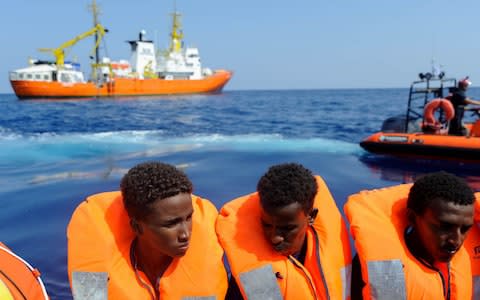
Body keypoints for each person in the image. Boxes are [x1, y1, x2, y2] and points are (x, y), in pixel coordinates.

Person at [67, 161, 228, 300]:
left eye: (188, 218)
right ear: (137, 227)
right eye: (171, 224)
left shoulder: (207, 261)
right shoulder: (96, 266)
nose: (185, 234)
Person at [216, 162, 352, 300]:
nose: (275, 238)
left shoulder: (338, 245)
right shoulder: (245, 271)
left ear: (311, 216)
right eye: (267, 225)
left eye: (287, 228)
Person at [346, 171, 475, 299]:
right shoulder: (377, 268)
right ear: (412, 218)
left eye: (465, 229)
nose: (456, 241)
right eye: (445, 227)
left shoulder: (462, 261)